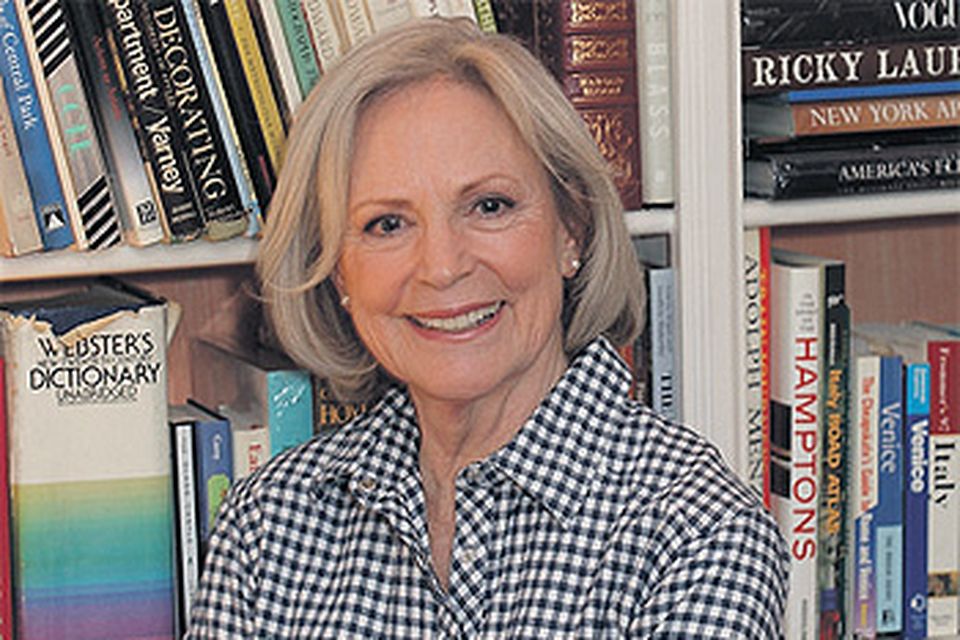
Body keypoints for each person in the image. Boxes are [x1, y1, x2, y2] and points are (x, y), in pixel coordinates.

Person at [188, 18, 788, 638]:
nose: (442, 267)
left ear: (571, 228)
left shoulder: (699, 532)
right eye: (387, 224)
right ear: (338, 270)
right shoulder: (269, 523)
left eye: (489, 206)